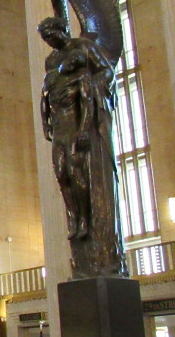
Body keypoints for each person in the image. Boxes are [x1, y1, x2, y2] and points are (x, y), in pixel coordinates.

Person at [38, 15, 126, 279]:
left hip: (80, 122)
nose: (49, 41)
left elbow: (105, 72)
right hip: (61, 124)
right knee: (62, 173)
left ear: (61, 30)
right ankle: (76, 217)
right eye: (45, 38)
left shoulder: (84, 50)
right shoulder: (52, 60)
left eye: (51, 35)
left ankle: (88, 221)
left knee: (78, 172)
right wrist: (45, 123)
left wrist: (90, 91)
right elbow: (45, 94)